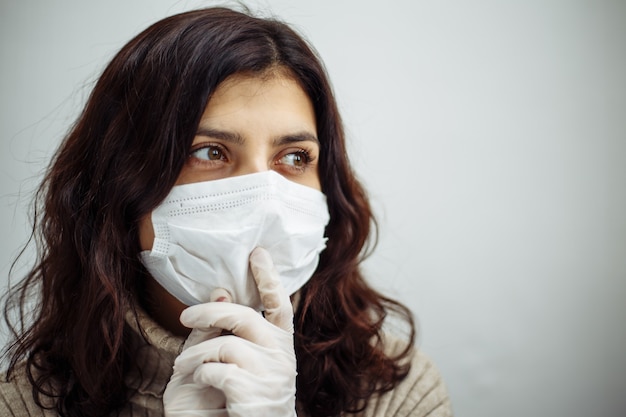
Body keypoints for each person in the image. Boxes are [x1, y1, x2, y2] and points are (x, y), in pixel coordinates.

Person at [0, 7, 452, 417]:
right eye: (210, 151)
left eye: (295, 157)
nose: (264, 200)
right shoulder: (22, 404)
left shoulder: (396, 392)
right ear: (119, 179)